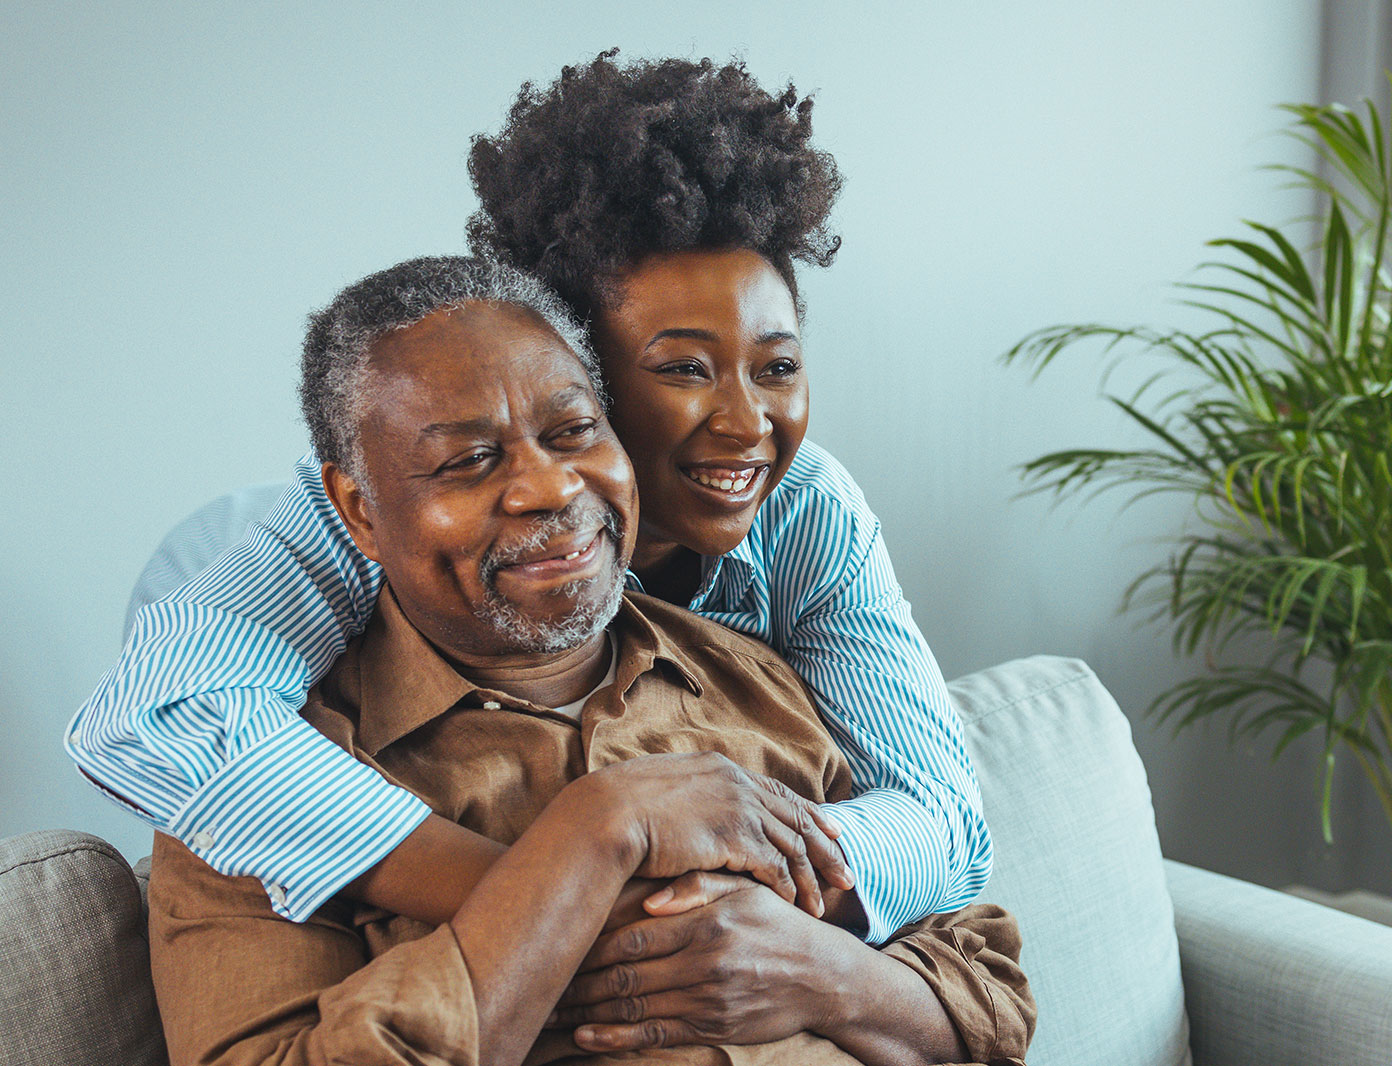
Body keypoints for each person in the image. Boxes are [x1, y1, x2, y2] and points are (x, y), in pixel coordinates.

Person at [67, 52, 990, 945]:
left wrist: (733, 905)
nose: (749, 423)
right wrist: (558, 899)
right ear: (570, 367)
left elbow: (945, 818)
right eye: (682, 370)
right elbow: (158, 714)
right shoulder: (368, 519)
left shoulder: (808, 508)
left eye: (778, 366)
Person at [147, 255, 1033, 1066]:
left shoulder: (752, 670)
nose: (549, 487)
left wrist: (815, 969)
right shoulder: (248, 792)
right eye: (469, 460)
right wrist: (593, 837)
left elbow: (988, 995)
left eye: (573, 432)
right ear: (360, 510)